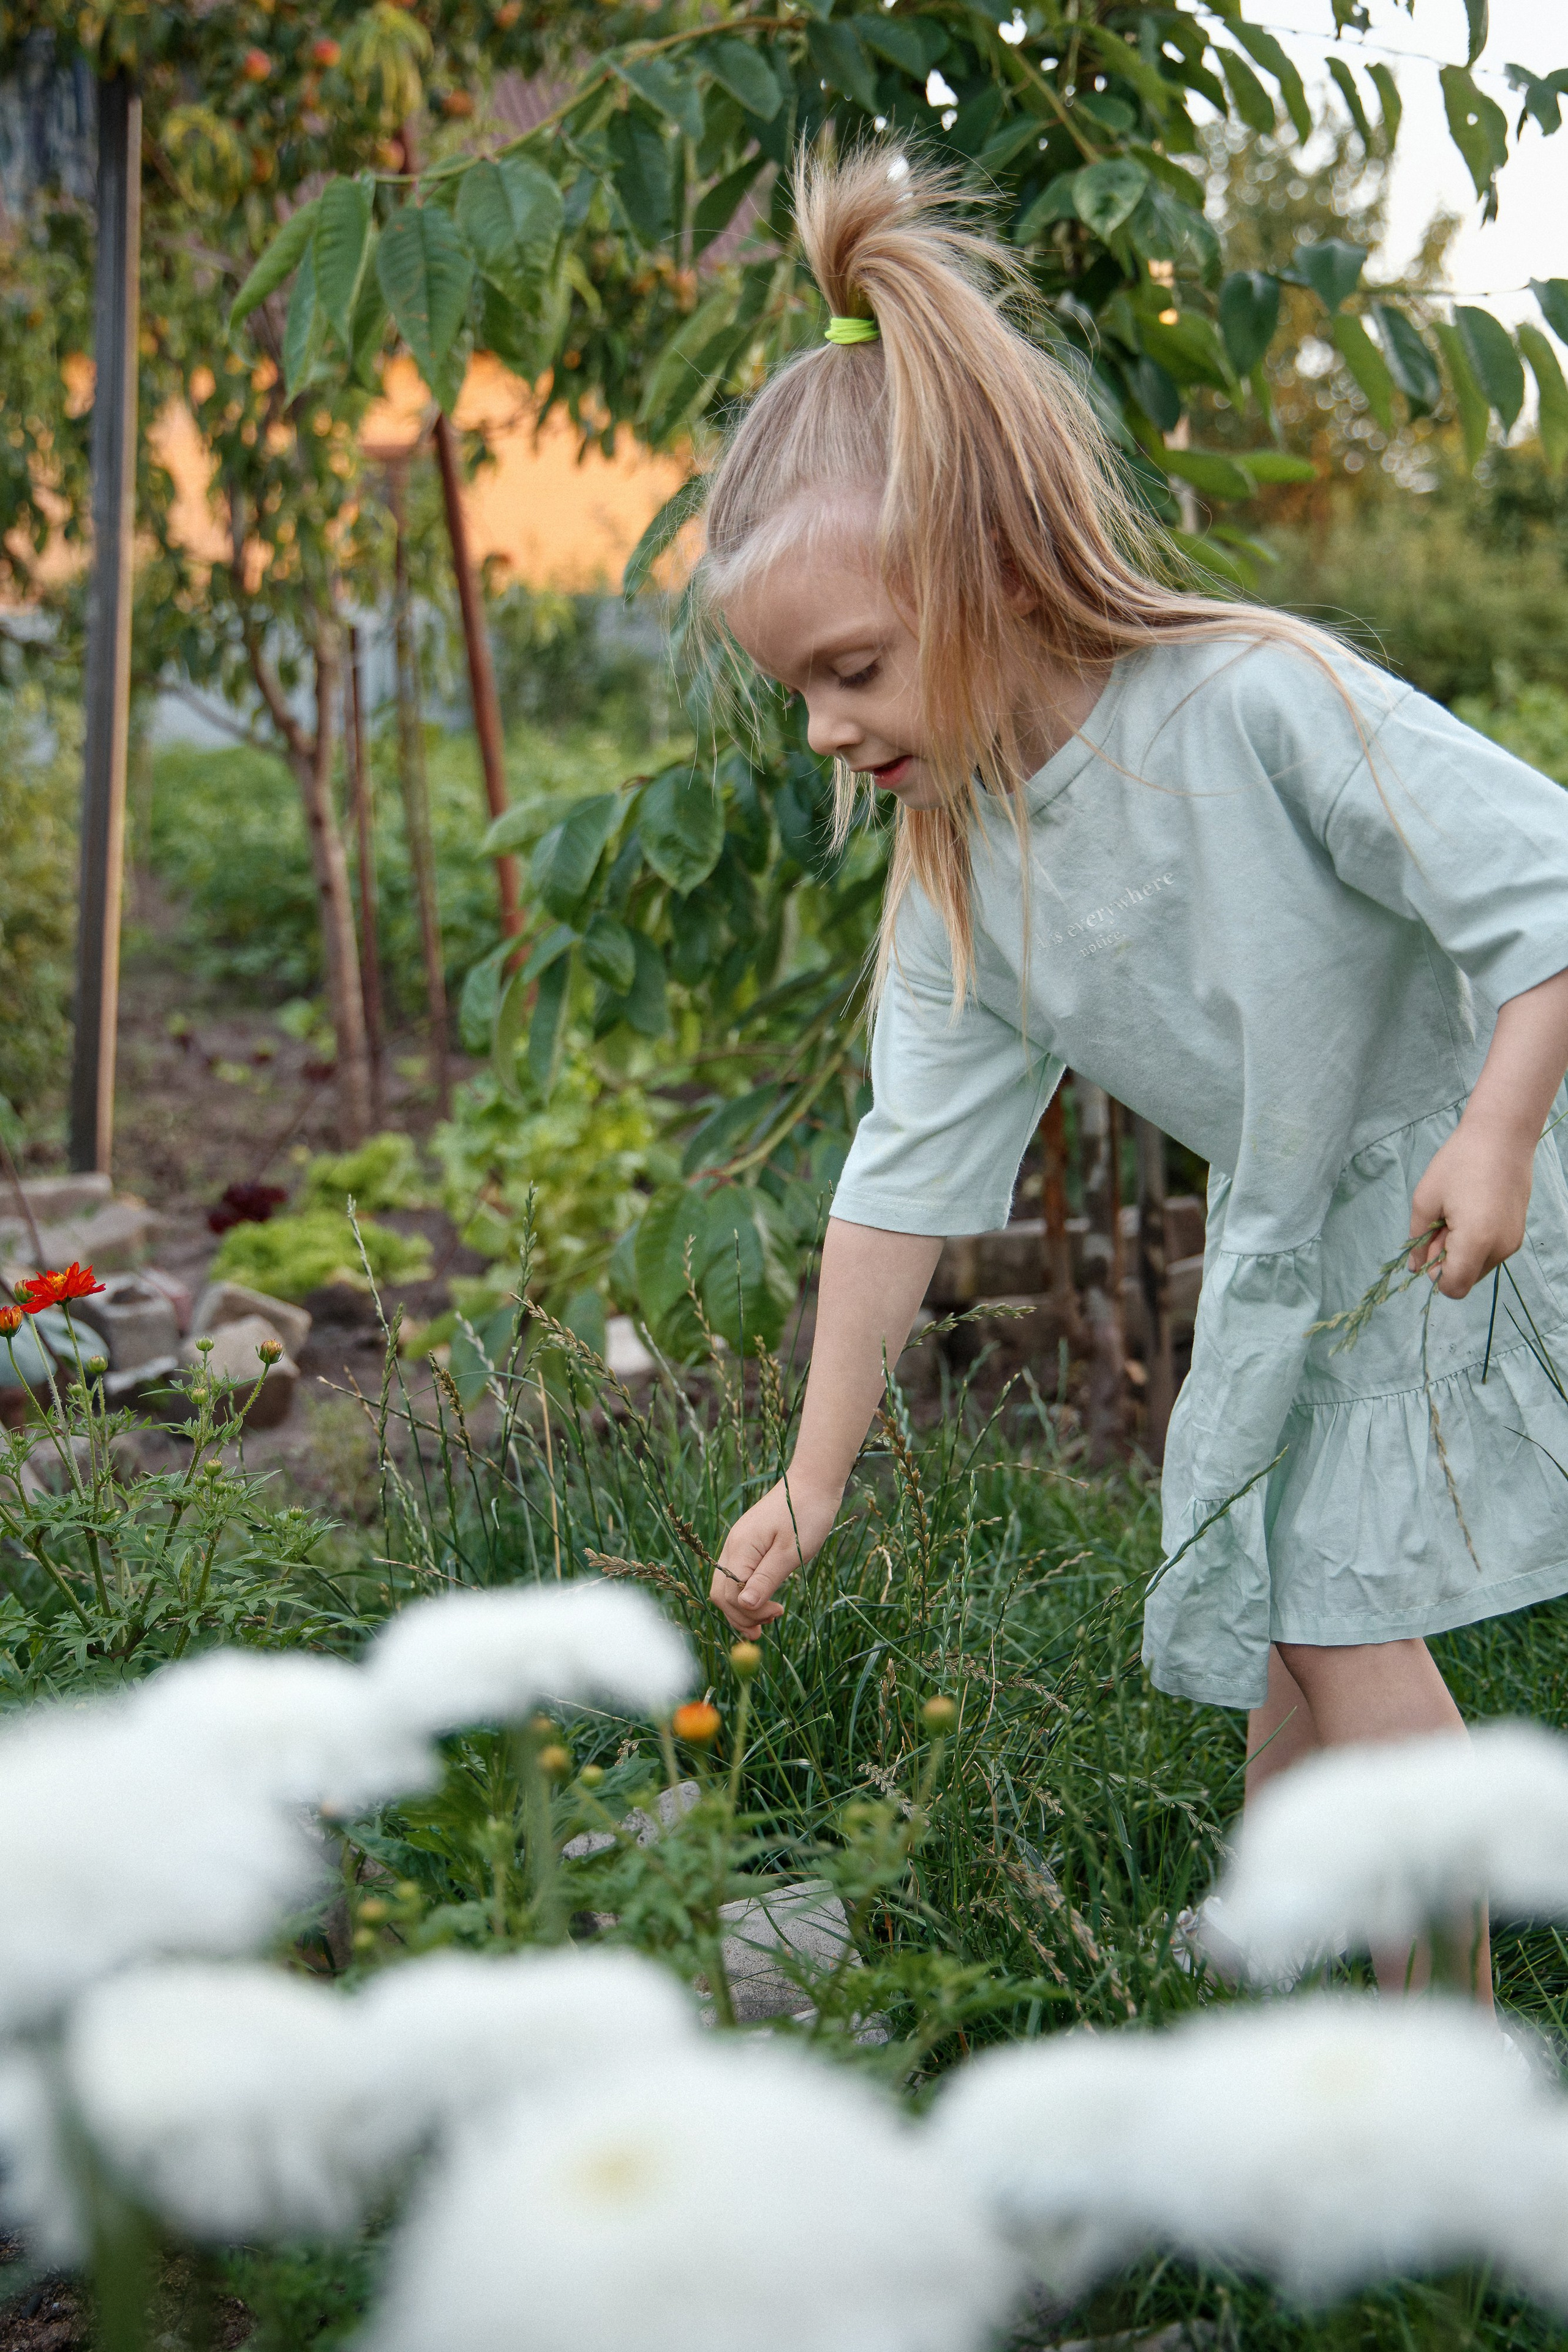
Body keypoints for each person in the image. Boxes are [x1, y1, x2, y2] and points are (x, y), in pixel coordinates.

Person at [701, 142, 1568, 1994]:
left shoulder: (1256, 706)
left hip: (1485, 1171)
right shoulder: (958, 868)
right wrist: (817, 1474)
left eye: (851, 668)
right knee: (1285, 1567)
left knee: (1336, 1607)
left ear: (990, 570)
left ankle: (1450, 2065)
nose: (825, 727)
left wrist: (1497, 1138)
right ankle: (1282, 1924)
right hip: (1311, 1226)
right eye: (799, 692)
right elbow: (904, 1174)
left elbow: (1546, 879)